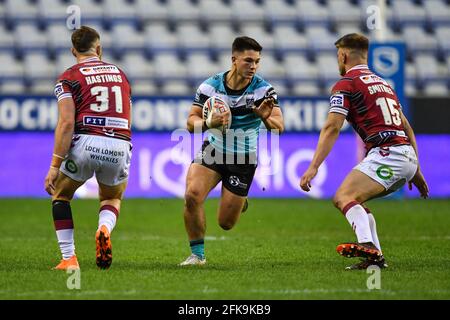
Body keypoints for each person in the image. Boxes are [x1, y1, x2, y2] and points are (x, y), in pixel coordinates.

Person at [300, 33, 429, 270]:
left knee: (343, 197)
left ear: (344, 55)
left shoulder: (346, 84)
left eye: (338, 56)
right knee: (354, 199)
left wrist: (314, 166)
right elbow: (407, 127)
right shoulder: (384, 84)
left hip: (388, 153)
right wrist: (416, 168)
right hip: (404, 155)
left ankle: (368, 245)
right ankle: (375, 259)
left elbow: (332, 127)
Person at [180, 36, 284, 266]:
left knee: (226, 223)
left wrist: (266, 119)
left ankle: (240, 198)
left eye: (257, 61)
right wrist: (209, 123)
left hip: (244, 158)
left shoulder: (264, 90)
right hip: (214, 150)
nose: (253, 66)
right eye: (248, 60)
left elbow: (279, 129)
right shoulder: (210, 86)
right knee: (192, 195)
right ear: (234, 60)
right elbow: (190, 123)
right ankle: (197, 255)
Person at [44, 26, 132, 270]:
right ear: (99, 48)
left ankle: (69, 259)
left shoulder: (68, 77)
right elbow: (128, 114)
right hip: (120, 142)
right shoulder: (120, 74)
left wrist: (54, 165)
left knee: (61, 195)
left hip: (86, 141)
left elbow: (66, 123)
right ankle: (104, 228)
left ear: (74, 51)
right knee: (112, 197)